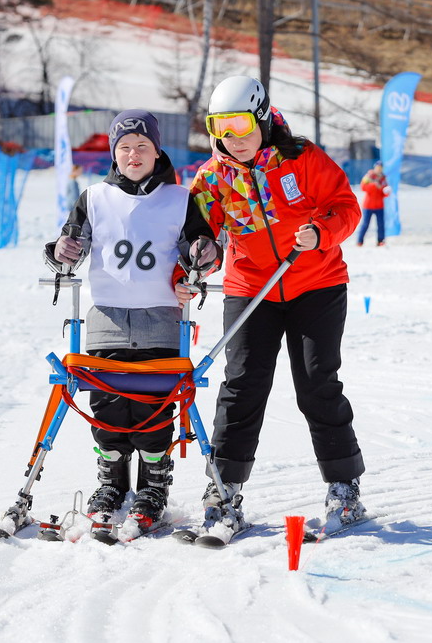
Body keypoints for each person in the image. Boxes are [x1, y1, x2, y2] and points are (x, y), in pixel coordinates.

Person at [188, 75, 366, 544]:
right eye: (220, 128)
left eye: (241, 126)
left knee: (316, 383)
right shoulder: (212, 177)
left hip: (316, 282)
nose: (233, 139)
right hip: (251, 288)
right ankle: (224, 490)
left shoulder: (301, 158)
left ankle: (344, 488)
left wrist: (320, 232)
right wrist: (201, 256)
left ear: (263, 118)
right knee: (242, 385)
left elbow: (345, 206)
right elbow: (199, 233)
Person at [44, 109, 220, 538]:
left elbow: (201, 248)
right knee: (107, 404)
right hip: (106, 320)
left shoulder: (179, 198)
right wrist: (61, 250)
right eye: (124, 147)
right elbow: (71, 246)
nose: (133, 154)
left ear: (157, 151)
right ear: (114, 153)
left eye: (142, 146)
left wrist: (202, 252)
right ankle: (112, 483)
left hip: (160, 319)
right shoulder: (94, 197)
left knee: (152, 405)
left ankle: (153, 488)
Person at [356, 161, 390, 246]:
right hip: (368, 205)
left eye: (380, 168)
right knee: (365, 224)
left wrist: (386, 192)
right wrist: (374, 185)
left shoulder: (383, 178)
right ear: (375, 168)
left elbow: (384, 192)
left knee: (381, 224)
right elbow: (363, 187)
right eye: (377, 168)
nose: (379, 169)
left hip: (379, 205)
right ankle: (360, 241)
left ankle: (380, 240)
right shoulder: (369, 176)